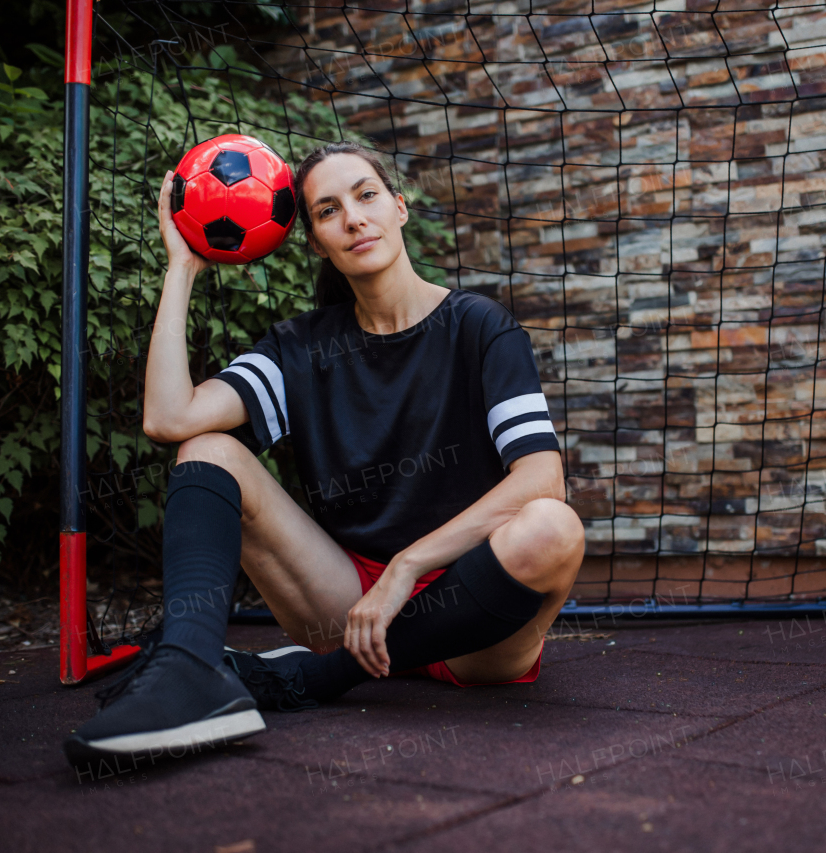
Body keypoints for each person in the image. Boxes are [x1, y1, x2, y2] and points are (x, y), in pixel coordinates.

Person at [63, 141, 584, 765]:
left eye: (366, 197)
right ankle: (187, 672)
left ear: (398, 207)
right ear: (315, 240)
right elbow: (168, 418)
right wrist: (181, 267)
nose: (354, 219)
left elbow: (542, 478)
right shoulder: (303, 348)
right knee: (208, 447)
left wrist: (407, 570)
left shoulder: (479, 327)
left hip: (478, 629)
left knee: (554, 526)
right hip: (347, 605)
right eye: (328, 210)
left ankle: (317, 678)